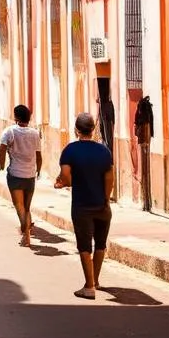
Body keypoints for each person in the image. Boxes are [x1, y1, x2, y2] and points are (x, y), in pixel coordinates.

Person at [55, 112, 114, 300]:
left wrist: (64, 183)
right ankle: (95, 280)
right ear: (93, 129)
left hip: (82, 206)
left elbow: (65, 176)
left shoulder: (70, 151)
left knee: (84, 246)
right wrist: (105, 199)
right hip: (102, 206)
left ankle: (89, 286)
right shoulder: (104, 151)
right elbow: (109, 178)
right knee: (101, 244)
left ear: (76, 130)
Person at [0, 104, 42, 246]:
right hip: (30, 175)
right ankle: (27, 234)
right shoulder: (35, 133)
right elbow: (39, 155)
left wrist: (1, 164)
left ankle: (25, 231)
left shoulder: (9, 132)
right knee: (27, 207)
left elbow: (2, 149)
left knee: (19, 207)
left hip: (15, 174)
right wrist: (38, 170)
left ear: (16, 117)